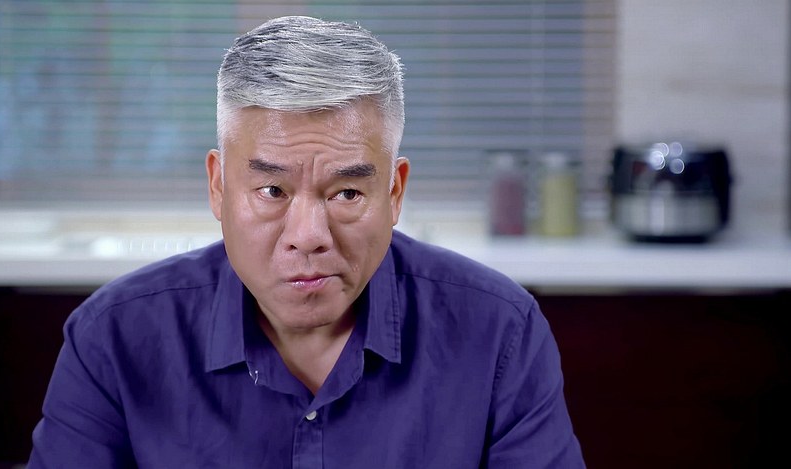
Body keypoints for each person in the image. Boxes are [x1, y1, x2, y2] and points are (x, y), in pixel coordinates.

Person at [28, 15, 584, 468]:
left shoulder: (500, 332)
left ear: (394, 192)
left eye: (347, 193)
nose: (308, 237)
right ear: (219, 187)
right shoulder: (112, 339)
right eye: (272, 190)